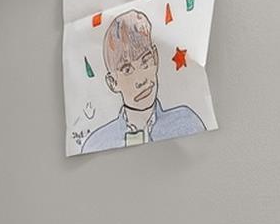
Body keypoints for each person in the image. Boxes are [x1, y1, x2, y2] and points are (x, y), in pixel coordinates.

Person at [78, 9, 207, 152]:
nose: (141, 80)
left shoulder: (187, 123)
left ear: (156, 58)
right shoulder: (97, 144)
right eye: (127, 70)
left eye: (146, 61)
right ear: (113, 82)